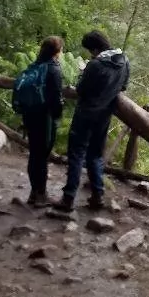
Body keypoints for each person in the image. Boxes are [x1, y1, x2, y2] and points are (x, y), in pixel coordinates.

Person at [55, 30, 130, 211]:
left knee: (76, 155)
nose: (91, 54)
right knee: (95, 155)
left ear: (96, 48)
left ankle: (68, 198)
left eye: (91, 51)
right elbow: (124, 86)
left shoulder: (96, 64)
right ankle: (97, 195)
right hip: (104, 116)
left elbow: (81, 90)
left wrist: (84, 71)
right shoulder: (125, 61)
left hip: (85, 114)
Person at [21, 36, 65, 207]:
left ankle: (34, 192)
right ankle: (41, 195)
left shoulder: (35, 65)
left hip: (30, 115)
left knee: (34, 154)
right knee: (42, 156)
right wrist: (57, 115)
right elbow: (56, 98)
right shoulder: (54, 69)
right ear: (57, 52)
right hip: (45, 118)